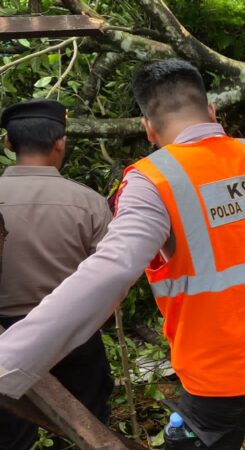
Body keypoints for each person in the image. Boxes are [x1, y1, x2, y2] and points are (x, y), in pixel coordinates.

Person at [0, 60, 245, 450]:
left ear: (148, 127)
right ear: (212, 112)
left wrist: (8, 359)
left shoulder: (154, 181)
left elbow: (111, 270)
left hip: (224, 373)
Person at [0, 99, 114, 450]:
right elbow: (109, 274)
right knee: (89, 429)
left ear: (9, 143)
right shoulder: (89, 202)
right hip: (73, 338)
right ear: (60, 142)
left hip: (4, 338)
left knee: (10, 436)